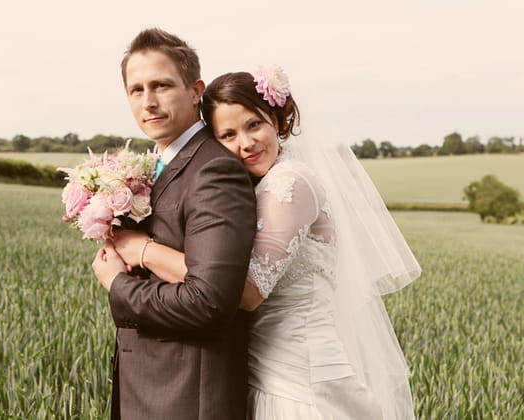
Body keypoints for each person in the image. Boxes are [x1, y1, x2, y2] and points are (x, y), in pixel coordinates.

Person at [109, 67, 421, 419]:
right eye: (228, 135)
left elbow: (246, 291)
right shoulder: (261, 184)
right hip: (266, 372)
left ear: (275, 119)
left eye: (253, 125)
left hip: (298, 379)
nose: (245, 143)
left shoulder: (289, 182)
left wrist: (146, 250)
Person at [91, 28, 257, 420]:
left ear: (196, 89)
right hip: (148, 388)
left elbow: (209, 302)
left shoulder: (214, 170)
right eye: (136, 89)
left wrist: (118, 284)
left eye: (161, 85)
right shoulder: (156, 164)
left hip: (185, 398)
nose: (148, 102)